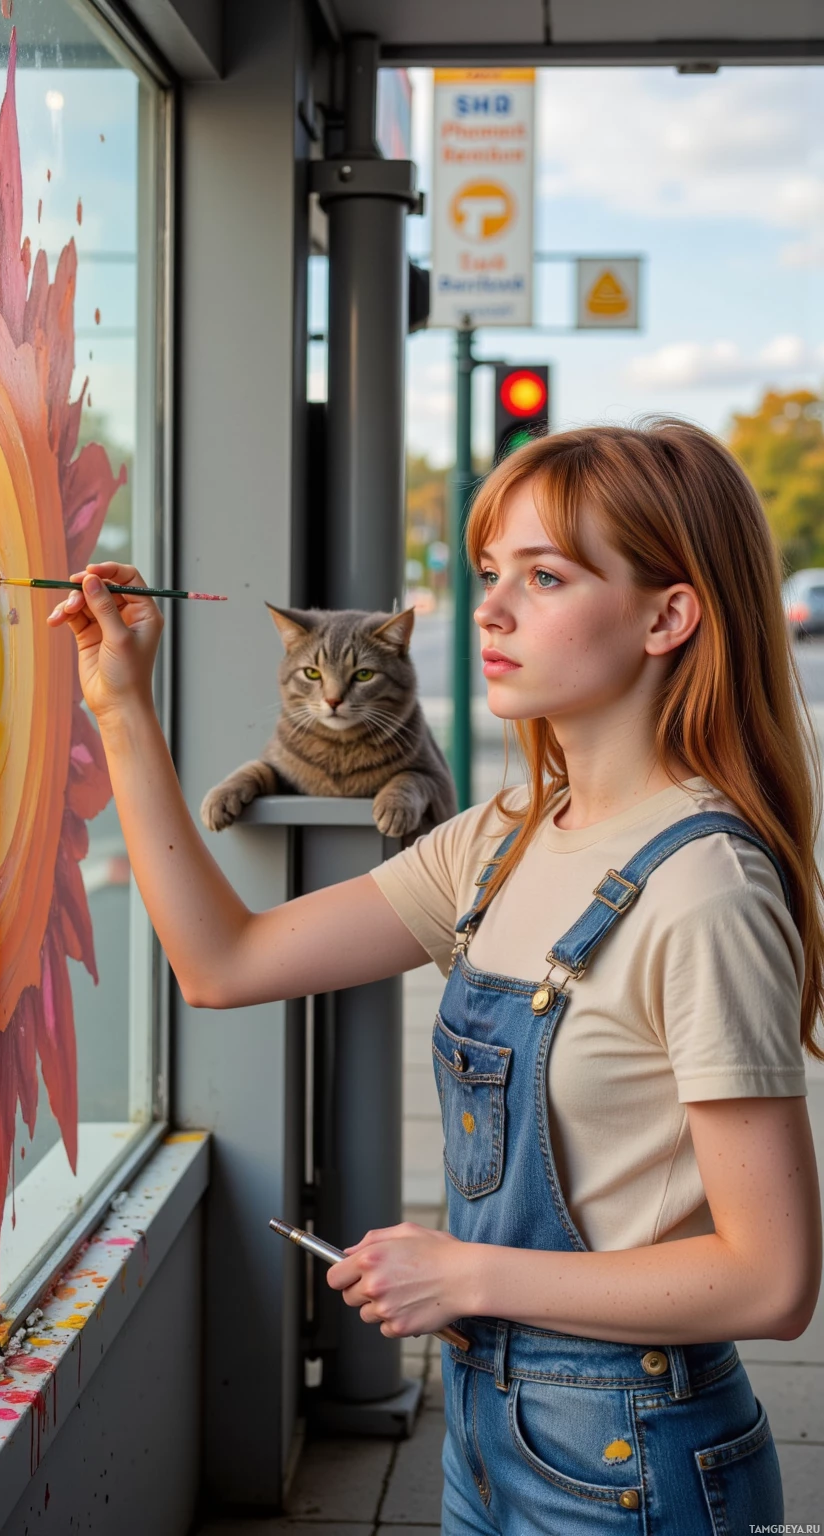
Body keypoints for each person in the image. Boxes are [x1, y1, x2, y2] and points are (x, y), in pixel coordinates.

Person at [48, 419, 822, 1533]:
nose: (492, 612)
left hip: (636, 1463)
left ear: (667, 616)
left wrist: (462, 1275)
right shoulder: (501, 838)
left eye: (545, 576)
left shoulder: (704, 890)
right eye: (489, 573)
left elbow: (771, 1282)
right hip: (486, 1432)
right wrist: (120, 703)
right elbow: (224, 963)